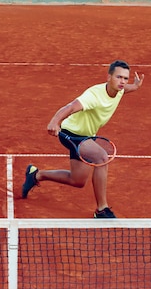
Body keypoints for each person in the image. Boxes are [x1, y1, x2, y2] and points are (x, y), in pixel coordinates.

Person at [21, 60, 144, 218]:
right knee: (101, 157)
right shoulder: (94, 95)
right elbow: (71, 106)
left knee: (77, 180)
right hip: (72, 133)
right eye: (118, 77)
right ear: (108, 77)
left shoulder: (118, 89)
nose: (122, 82)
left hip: (87, 135)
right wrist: (54, 121)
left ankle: (36, 175)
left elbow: (124, 89)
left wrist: (134, 86)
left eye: (125, 78)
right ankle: (102, 209)